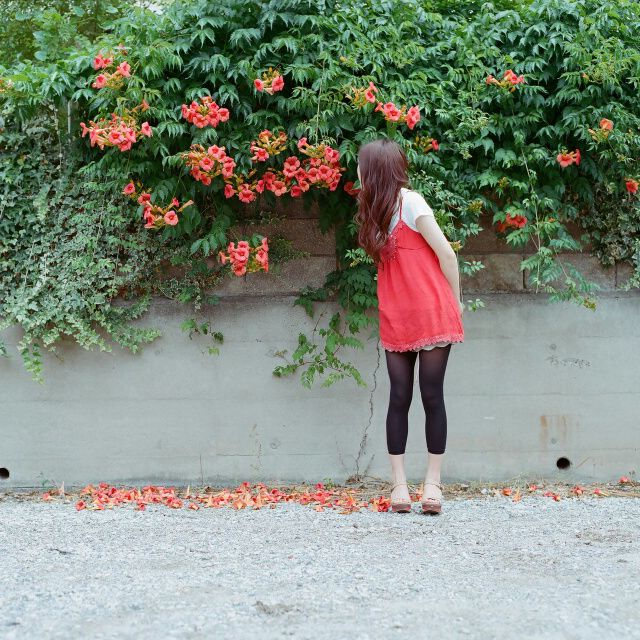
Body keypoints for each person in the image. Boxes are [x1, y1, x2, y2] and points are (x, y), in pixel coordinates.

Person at [355, 138, 465, 515]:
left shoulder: (412, 202)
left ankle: (432, 484)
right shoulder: (375, 211)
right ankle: (399, 485)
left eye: (361, 166)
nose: (357, 172)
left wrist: (456, 301)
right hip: (397, 313)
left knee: (430, 395)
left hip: (431, 310)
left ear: (374, 171)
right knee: (399, 397)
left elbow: (446, 254)